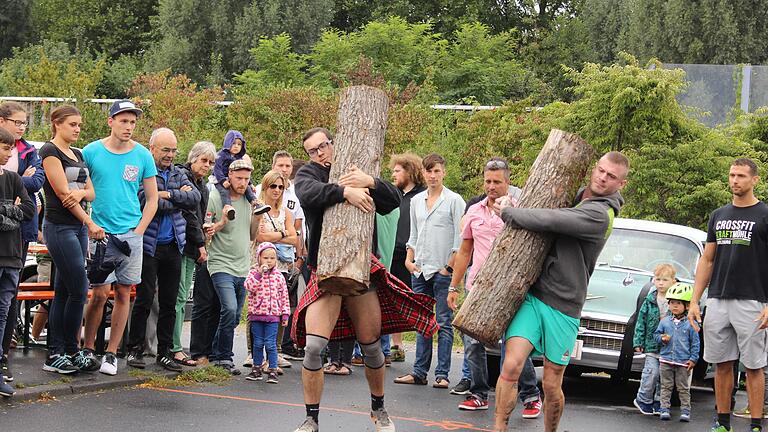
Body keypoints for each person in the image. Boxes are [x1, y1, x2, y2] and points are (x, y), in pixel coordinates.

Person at [291, 127, 438, 432]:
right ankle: (311, 419)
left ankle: (378, 409)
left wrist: (368, 182)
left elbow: (393, 199)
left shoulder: (356, 168)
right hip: (326, 271)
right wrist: (345, 192)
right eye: (312, 150)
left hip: (361, 270)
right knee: (314, 348)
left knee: (372, 348)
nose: (319, 153)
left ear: (334, 143)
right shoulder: (309, 174)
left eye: (323, 146)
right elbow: (308, 194)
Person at [493, 151, 628, 432]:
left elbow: (552, 220)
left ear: (621, 184)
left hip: (565, 305)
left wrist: (509, 212)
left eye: (611, 176)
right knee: (511, 365)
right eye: (601, 170)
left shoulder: (601, 215)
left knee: (552, 383)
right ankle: (499, 427)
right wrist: (515, 203)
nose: (603, 177)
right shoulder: (579, 194)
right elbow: (545, 208)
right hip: (535, 294)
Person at [445, 157, 541, 417]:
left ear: (507, 183)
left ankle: (531, 395)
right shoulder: (474, 210)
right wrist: (454, 287)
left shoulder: (517, 209)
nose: (491, 186)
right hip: (478, 285)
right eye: (488, 181)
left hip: (508, 286)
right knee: (472, 340)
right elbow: (465, 252)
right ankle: (478, 393)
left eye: (497, 181)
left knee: (513, 342)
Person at [688, 157, 768, 432]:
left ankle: (756, 424)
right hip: (718, 297)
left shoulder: (764, 215)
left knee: (754, 366)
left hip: (753, 299)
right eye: (732, 175)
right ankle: (723, 422)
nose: (735, 180)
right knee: (721, 364)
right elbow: (707, 260)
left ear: (755, 179)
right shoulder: (718, 215)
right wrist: (695, 300)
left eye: (742, 176)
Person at [81, 99, 159, 376]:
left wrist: (139, 231)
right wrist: (88, 222)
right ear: (111, 121)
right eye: (124, 121)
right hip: (99, 232)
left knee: (124, 292)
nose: (129, 126)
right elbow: (77, 189)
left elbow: (152, 199)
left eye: (133, 122)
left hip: (130, 234)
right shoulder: (91, 151)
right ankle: (88, 348)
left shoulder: (142, 155)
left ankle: (112, 353)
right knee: (99, 293)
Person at [125, 128, 200, 372]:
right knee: (145, 299)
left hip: (173, 245)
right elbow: (143, 200)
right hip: (148, 245)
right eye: (165, 149)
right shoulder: (143, 170)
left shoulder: (179, 173)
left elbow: (195, 198)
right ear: (152, 148)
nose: (170, 154)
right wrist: (173, 199)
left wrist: (164, 195)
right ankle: (134, 349)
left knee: (169, 302)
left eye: (173, 150)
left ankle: (165, 352)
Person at [38, 105, 104, 374]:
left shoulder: (76, 153)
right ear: (57, 124)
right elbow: (63, 195)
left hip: (77, 228)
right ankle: (60, 351)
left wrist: (80, 196)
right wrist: (88, 220)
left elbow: (91, 192)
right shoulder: (49, 152)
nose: (77, 129)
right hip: (59, 227)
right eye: (72, 124)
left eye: (79, 125)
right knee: (79, 288)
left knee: (66, 290)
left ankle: (65, 350)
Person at [395, 153, 464, 389]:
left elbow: (460, 239)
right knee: (422, 321)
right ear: (423, 173)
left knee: (444, 322)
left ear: (443, 171)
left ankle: (442, 373)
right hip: (420, 269)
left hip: (442, 270)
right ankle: (419, 371)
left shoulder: (454, 200)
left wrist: (449, 267)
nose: (433, 176)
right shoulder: (417, 201)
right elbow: (413, 235)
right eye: (428, 171)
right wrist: (409, 259)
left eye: (436, 171)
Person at [0, 102, 44, 382]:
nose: (21, 127)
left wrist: (8, 210)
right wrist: (12, 209)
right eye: (17, 122)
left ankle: (3, 358)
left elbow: (31, 203)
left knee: (6, 304)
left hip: (15, 246)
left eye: (24, 123)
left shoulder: (27, 152)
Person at [206, 158, 260, 375]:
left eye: (246, 179)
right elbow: (206, 230)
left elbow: (252, 235)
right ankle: (224, 357)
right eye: (239, 178)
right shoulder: (216, 197)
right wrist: (221, 223)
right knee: (228, 308)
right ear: (229, 176)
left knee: (235, 315)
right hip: (220, 262)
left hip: (243, 264)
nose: (243, 182)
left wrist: (258, 217)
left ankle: (215, 352)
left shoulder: (250, 200)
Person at [255, 150, 306, 363]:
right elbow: (260, 236)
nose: (277, 190)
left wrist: (279, 237)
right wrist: (283, 234)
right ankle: (255, 353)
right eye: (273, 186)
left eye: (280, 187)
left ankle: (276, 351)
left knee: (280, 308)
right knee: (258, 308)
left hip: (283, 263)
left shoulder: (288, 208)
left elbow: (295, 237)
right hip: (260, 263)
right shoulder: (257, 202)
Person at [172, 141, 215, 366]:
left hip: (192, 244)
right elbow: (188, 215)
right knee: (179, 297)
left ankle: (174, 344)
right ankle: (174, 347)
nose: (206, 165)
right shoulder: (183, 178)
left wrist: (203, 234)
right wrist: (200, 243)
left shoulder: (203, 186)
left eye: (210, 162)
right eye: (203, 160)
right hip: (180, 243)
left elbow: (198, 218)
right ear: (193, 159)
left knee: (180, 297)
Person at [0, 126, 35, 396]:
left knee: (2, 313)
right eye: (4, 147)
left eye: (11, 147)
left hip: (11, 256)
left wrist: (6, 210)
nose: (9, 152)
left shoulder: (13, 179)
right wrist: (12, 213)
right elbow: (16, 213)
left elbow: (28, 210)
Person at [388, 153, 426, 363]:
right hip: (390, 252)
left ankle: (401, 344)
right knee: (389, 297)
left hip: (411, 254)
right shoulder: (393, 194)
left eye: (397, 170)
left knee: (407, 298)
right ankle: (392, 344)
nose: (393, 174)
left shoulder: (422, 195)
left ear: (410, 171)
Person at [632, 263, 676, 415]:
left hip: (669, 347)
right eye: (658, 279)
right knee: (651, 373)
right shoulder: (649, 300)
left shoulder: (675, 302)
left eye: (665, 280)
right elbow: (641, 321)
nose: (661, 283)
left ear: (673, 281)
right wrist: (638, 341)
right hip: (651, 345)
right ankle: (643, 399)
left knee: (665, 377)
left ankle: (659, 401)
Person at [244, 242, 290, 383]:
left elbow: (284, 296)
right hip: (257, 315)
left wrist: (285, 314)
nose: (269, 261)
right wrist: (259, 273)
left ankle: (273, 370)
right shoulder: (253, 273)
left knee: (271, 344)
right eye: (265, 258)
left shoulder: (279, 276)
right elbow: (248, 287)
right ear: (258, 258)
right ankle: (256, 368)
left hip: (273, 317)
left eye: (272, 258)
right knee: (257, 343)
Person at [655, 282, 699, 422]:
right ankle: (664, 409)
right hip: (666, 360)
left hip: (682, 362)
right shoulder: (665, 321)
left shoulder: (691, 324)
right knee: (666, 386)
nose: (674, 306)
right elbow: (656, 335)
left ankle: (685, 411)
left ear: (686, 306)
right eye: (672, 302)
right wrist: (662, 338)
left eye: (678, 303)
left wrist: (693, 359)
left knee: (683, 388)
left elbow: (695, 343)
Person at [212, 130, 267, 220]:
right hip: (220, 178)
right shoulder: (221, 155)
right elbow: (217, 169)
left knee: (246, 188)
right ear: (228, 143)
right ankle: (228, 207)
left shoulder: (239, 157)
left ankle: (255, 203)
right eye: (233, 143)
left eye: (239, 144)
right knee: (224, 191)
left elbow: (244, 173)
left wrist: (250, 183)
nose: (236, 146)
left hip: (235, 178)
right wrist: (223, 181)